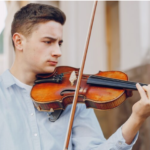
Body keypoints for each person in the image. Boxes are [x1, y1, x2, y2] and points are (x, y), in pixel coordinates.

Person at [1, 3, 150, 150]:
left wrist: (136, 118)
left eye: (59, 43)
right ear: (19, 42)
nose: (58, 51)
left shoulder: (73, 95)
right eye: (48, 42)